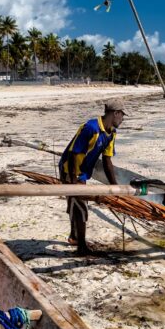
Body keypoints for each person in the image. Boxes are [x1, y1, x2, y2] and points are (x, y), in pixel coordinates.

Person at [59, 98, 127, 255]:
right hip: (70, 169)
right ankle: (81, 246)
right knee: (80, 206)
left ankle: (74, 236)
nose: (122, 120)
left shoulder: (111, 134)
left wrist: (114, 186)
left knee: (74, 204)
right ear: (116, 113)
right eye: (122, 116)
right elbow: (74, 153)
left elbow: (107, 160)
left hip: (82, 171)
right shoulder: (91, 128)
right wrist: (74, 180)